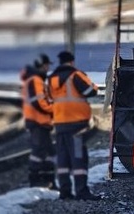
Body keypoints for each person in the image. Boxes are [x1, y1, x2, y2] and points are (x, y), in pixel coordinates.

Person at [48, 50, 101, 200]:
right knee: (78, 157)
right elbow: (91, 91)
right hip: (76, 124)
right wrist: (90, 82)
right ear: (71, 62)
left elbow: (50, 97)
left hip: (59, 123)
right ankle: (81, 191)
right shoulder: (75, 75)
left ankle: (65, 191)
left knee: (63, 158)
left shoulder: (51, 78)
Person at [21, 54, 55, 188]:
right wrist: (53, 109)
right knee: (39, 152)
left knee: (47, 151)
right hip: (38, 122)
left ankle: (47, 180)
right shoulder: (35, 80)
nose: (48, 68)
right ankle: (35, 180)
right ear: (41, 65)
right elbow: (39, 103)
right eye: (46, 65)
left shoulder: (35, 79)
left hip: (41, 122)